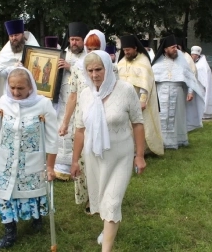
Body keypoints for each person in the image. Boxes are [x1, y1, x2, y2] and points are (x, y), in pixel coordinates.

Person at [0, 67, 58, 252]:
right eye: (12, 87)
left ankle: (37, 218)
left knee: (33, 193)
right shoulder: (3, 102)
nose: (15, 92)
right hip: (5, 161)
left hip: (31, 161)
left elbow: (52, 138)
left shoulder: (43, 104)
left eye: (20, 88)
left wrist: (50, 166)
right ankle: (9, 234)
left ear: (30, 87)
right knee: (5, 195)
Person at [71, 50, 146, 252]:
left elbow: (138, 123)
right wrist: (75, 160)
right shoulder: (86, 94)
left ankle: (107, 249)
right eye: (90, 70)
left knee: (112, 202)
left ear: (108, 68)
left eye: (99, 69)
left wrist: (139, 156)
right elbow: (79, 130)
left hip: (121, 155)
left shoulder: (125, 90)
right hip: (94, 156)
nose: (95, 74)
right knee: (104, 200)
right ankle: (109, 229)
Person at [58, 29, 106, 211]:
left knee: (99, 160)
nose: (92, 52)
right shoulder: (78, 68)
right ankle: (88, 197)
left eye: (96, 47)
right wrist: (64, 122)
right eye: (89, 48)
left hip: (102, 121)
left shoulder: (109, 68)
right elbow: (72, 97)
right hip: (81, 122)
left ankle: (101, 197)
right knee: (82, 161)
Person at [152, 34, 205, 149]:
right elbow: (152, 80)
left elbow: (190, 77)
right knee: (162, 117)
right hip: (161, 93)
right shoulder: (157, 63)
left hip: (178, 93)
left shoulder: (182, 60)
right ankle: (162, 142)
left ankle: (177, 140)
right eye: (173, 47)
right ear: (165, 49)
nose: (176, 49)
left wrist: (191, 91)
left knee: (177, 117)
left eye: (176, 47)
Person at [117, 34, 164, 155]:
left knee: (140, 124)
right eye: (124, 50)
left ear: (135, 48)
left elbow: (146, 83)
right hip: (123, 99)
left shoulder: (143, 61)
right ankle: (127, 149)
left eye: (128, 50)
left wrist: (143, 100)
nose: (126, 52)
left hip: (138, 99)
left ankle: (143, 150)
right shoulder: (122, 61)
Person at [54, 22, 89, 180]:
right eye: (72, 39)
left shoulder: (89, 55)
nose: (74, 43)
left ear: (84, 41)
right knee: (62, 130)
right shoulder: (63, 53)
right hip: (64, 100)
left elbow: (89, 74)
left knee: (77, 131)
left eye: (77, 39)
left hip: (81, 102)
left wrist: (70, 67)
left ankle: (77, 165)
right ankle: (60, 166)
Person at [0, 19, 39, 125]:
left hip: (28, 94)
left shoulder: (34, 48)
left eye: (16, 35)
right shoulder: (5, 52)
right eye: (11, 36)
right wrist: (11, 69)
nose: (14, 38)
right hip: (10, 94)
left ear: (22, 34)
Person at [190, 46, 212, 119]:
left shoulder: (202, 64)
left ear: (197, 55)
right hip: (196, 85)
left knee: (202, 98)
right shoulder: (197, 62)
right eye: (191, 55)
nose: (192, 56)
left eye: (193, 55)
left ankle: (204, 113)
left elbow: (203, 77)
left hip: (201, 85)